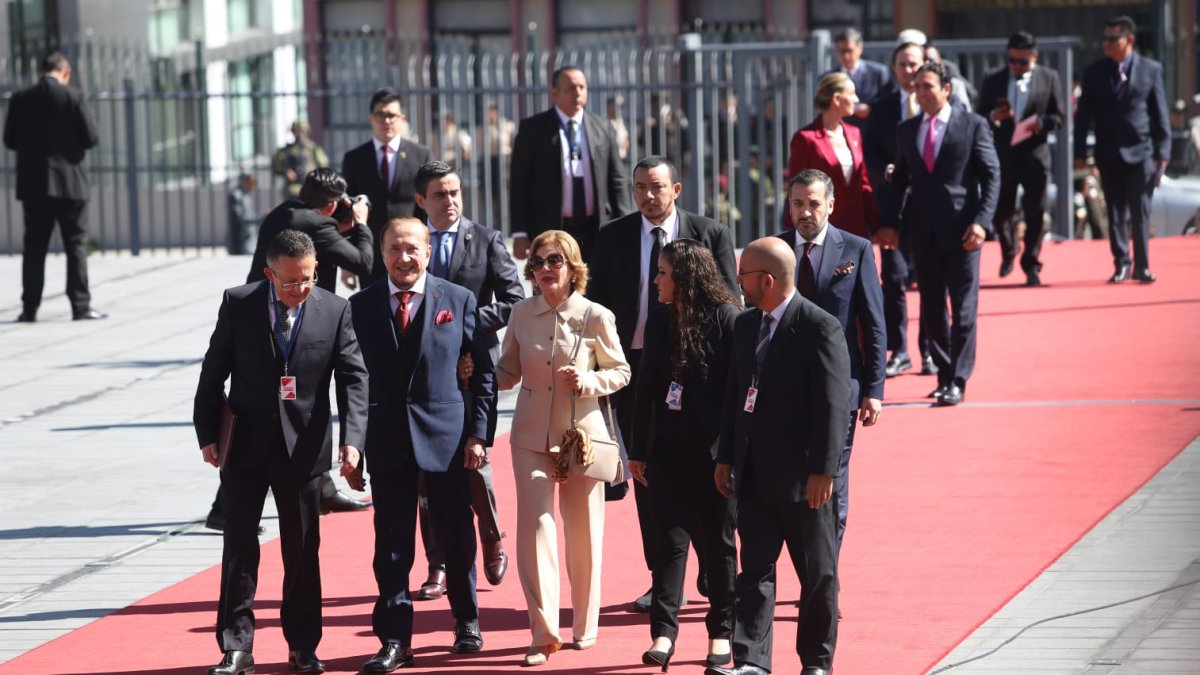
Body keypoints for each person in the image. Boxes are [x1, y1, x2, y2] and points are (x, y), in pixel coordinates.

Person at [193, 229, 368, 675]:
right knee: (238, 548)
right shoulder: (239, 303)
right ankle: (236, 646)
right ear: (270, 273)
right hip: (246, 447)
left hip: (304, 450)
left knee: (303, 551)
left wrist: (353, 440)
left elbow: (353, 378)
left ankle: (303, 645)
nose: (300, 289)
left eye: (307, 279)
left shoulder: (335, 309)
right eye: (290, 282)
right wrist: (207, 433)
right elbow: (213, 372)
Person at [588, 155, 737, 612]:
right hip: (634, 371)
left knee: (701, 471)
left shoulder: (709, 234)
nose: (647, 196)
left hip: (698, 371)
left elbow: (729, 302)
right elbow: (596, 307)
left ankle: (713, 565)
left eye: (655, 187)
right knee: (647, 471)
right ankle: (662, 578)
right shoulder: (612, 238)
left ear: (676, 189)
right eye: (639, 188)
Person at [349, 217, 496, 671]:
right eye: (394, 248)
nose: (404, 257)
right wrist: (351, 443)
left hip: (448, 438)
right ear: (382, 252)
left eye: (413, 248)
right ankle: (395, 638)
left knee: (456, 533)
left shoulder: (458, 299)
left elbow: (484, 371)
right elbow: (350, 383)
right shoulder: (360, 305)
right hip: (388, 438)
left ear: (429, 251)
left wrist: (478, 433)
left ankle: (467, 618)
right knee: (391, 544)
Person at [707, 237, 851, 675]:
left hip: (804, 479)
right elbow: (735, 394)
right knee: (754, 572)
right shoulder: (746, 325)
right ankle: (752, 660)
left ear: (766, 280)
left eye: (744, 274)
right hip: (753, 476)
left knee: (817, 575)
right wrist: (726, 456)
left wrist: (824, 470)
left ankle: (816, 662)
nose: (739, 281)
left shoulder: (819, 326)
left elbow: (833, 404)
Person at [201, 169, 374, 525]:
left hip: (260, 314)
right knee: (286, 404)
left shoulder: (283, 212)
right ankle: (226, 506)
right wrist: (359, 224)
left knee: (281, 406)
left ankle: (319, 487)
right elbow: (363, 262)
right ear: (330, 205)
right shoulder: (317, 224)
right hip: (290, 319)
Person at [495, 230, 630, 666]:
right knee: (536, 531)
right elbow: (507, 373)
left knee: (583, 535)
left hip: (582, 440)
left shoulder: (596, 315)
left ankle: (585, 625)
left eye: (554, 260)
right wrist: (472, 368)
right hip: (530, 437)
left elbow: (621, 371)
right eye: (536, 262)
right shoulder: (520, 313)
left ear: (573, 267)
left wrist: (589, 380)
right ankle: (543, 632)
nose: (545, 269)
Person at [410, 160, 525, 599]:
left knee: (474, 458)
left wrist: (463, 326)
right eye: (440, 195)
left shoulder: (487, 240)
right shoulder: (410, 242)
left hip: (473, 366)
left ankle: (491, 535)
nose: (451, 201)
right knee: (425, 468)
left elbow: (514, 300)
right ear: (422, 200)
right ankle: (437, 561)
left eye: (455, 192)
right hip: (422, 370)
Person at [629, 240, 740, 671]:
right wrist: (638, 451)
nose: (655, 279)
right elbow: (647, 392)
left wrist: (728, 456)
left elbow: (734, 397)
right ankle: (664, 631)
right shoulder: (659, 322)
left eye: (662, 272)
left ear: (686, 276)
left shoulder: (728, 320)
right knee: (669, 544)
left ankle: (721, 634)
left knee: (718, 547)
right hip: (667, 453)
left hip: (714, 457)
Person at [877, 62, 1000, 407]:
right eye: (917, 87)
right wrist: (890, 223)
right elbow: (900, 179)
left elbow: (992, 175)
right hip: (923, 233)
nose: (921, 93)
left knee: (963, 310)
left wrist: (982, 221)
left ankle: (958, 379)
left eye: (928, 86)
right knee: (932, 311)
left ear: (947, 88)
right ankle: (945, 375)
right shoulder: (907, 130)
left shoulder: (973, 125)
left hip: (964, 232)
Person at [777, 169, 886, 552]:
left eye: (813, 204)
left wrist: (873, 390)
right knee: (787, 481)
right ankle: (806, 566)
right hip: (782, 389)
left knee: (833, 479)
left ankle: (825, 580)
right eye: (797, 204)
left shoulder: (855, 249)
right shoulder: (773, 250)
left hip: (840, 387)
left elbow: (873, 324)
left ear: (831, 205)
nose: (805, 212)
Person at [4, 50, 103, 323]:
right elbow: (91, 137)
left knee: (34, 248)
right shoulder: (74, 97)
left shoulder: (21, 99)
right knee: (76, 246)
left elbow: (9, 140)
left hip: (34, 186)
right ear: (66, 71)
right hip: (71, 185)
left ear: (39, 71)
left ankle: (30, 308)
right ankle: (80, 306)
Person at [1074, 15, 1171, 283]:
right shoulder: (1093, 73)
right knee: (1115, 211)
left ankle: (1142, 265)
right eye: (1105, 39)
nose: (1107, 44)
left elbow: (1159, 112)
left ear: (1129, 39)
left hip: (1141, 152)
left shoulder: (1151, 70)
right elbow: (1083, 117)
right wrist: (1079, 152)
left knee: (1140, 211)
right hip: (1109, 153)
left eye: (1113, 38)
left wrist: (1164, 149)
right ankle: (1121, 263)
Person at [509, 66, 632, 262]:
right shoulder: (533, 129)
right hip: (550, 228)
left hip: (596, 228)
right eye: (571, 88)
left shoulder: (603, 127)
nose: (578, 93)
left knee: (596, 290)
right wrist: (519, 232)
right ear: (554, 93)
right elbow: (519, 183)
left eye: (582, 87)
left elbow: (617, 179)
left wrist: (625, 224)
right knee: (552, 288)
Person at [863, 42, 932, 378]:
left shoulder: (936, 106)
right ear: (893, 69)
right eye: (902, 64)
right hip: (892, 208)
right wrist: (886, 170)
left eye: (914, 63)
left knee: (933, 280)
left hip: (931, 208)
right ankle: (900, 349)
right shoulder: (882, 108)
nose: (908, 70)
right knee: (893, 278)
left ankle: (930, 349)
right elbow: (870, 153)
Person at [977, 31, 1065, 286]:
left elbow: (1060, 116)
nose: (1017, 66)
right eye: (1013, 61)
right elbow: (980, 114)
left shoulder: (1049, 78)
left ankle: (1031, 263)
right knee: (999, 212)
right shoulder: (993, 79)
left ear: (1034, 57)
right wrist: (995, 117)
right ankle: (1009, 249)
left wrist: (1042, 123)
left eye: (1023, 61)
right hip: (1002, 156)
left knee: (1035, 212)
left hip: (1035, 156)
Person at [342, 88, 434, 287]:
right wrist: (347, 262)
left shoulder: (421, 155)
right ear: (370, 118)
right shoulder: (354, 159)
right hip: (371, 253)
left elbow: (428, 206)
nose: (386, 121)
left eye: (391, 115)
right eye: (380, 115)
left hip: (410, 253)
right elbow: (347, 212)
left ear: (402, 118)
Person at [787, 72, 879, 239]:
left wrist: (876, 225)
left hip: (856, 230)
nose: (856, 99)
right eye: (851, 94)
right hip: (820, 231)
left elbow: (863, 184)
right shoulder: (806, 138)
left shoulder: (854, 133)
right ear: (836, 99)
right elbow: (795, 189)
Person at [825, 27, 891, 125]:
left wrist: (871, 109)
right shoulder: (828, 78)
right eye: (842, 51)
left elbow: (888, 104)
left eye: (849, 51)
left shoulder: (878, 73)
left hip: (871, 133)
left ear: (860, 48)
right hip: (840, 133)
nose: (846, 56)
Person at [272, 120, 329, 201]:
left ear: (306, 132)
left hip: (310, 188)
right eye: (296, 131)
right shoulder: (285, 151)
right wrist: (286, 171)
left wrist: (314, 174)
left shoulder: (313, 149)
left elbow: (324, 166)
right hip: (293, 189)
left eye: (302, 131)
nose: (299, 134)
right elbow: (276, 167)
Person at [227, 172, 259, 255]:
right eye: (252, 182)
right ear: (245, 181)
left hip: (249, 237)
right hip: (241, 239)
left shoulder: (246, 195)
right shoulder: (236, 195)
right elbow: (239, 216)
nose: (253, 185)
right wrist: (257, 219)